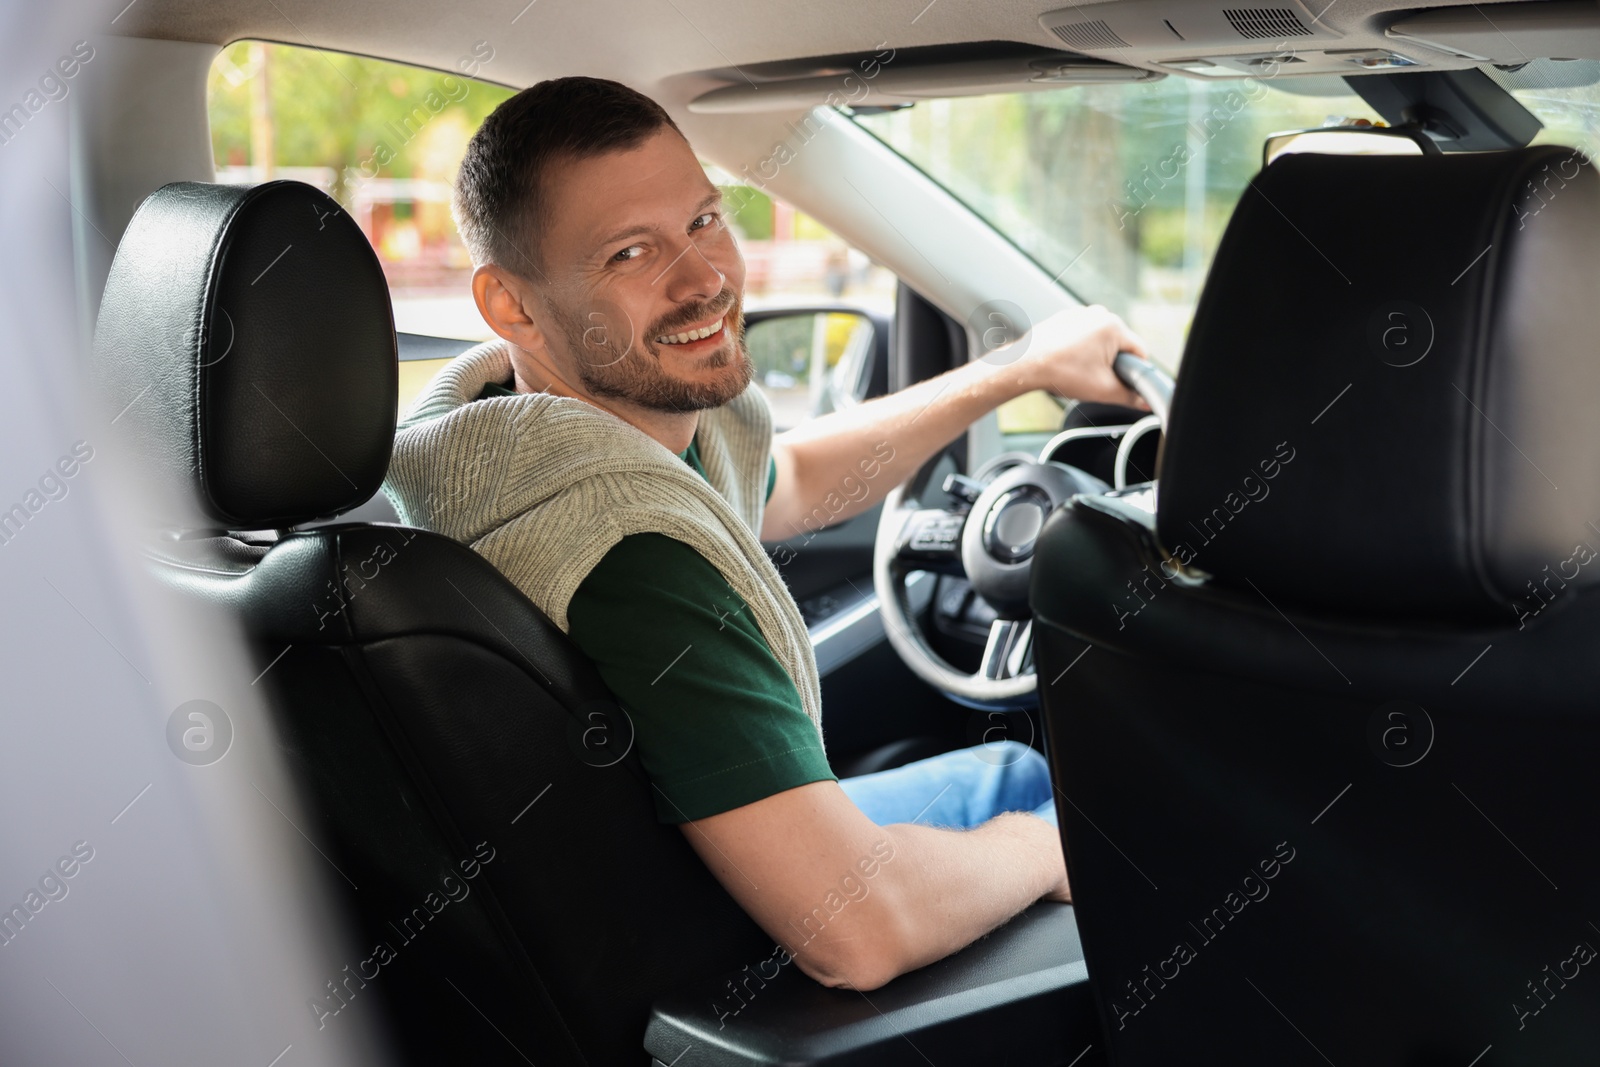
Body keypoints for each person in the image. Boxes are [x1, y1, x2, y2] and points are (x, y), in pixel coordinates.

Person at [382, 76, 1149, 992]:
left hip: (631, 892)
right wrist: (1044, 851)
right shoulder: (629, 553)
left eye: (704, 220)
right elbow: (855, 930)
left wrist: (1015, 371)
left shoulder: (511, 427)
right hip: (723, 956)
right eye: (631, 252)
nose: (704, 278)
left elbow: (789, 477)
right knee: (1054, 813)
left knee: (1004, 772)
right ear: (512, 308)